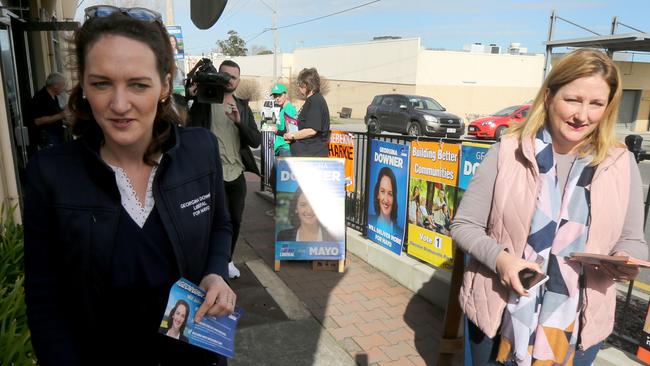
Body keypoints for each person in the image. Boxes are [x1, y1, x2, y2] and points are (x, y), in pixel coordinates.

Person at [23, 7, 235, 366]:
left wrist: (216, 271)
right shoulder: (52, 174)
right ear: (84, 87)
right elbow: (45, 299)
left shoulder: (200, 151)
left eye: (138, 84)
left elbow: (220, 225)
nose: (120, 105)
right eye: (102, 83)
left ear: (165, 85)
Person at [451, 48, 647, 365]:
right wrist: (502, 261)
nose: (582, 116)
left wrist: (625, 262)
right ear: (549, 97)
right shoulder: (508, 151)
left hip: (578, 330)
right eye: (572, 100)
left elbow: (633, 239)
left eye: (596, 104)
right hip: (498, 317)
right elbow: (464, 225)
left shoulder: (621, 163)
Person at [187, 59, 261, 279]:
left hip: (236, 174)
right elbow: (184, 123)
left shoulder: (243, 107)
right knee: (208, 221)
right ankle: (207, 262)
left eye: (234, 77)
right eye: (226, 75)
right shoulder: (204, 100)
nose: (230, 80)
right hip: (210, 173)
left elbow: (256, 140)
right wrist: (190, 95)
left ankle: (226, 260)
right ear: (219, 76)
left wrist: (239, 122)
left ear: (239, 81)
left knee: (234, 220)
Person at [284, 67, 330, 157]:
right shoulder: (311, 100)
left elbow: (311, 130)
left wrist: (292, 136)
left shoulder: (315, 101)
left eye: (300, 84)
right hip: (305, 154)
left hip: (312, 156)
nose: (299, 86)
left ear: (306, 85)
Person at [28, 72, 67, 153]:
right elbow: (37, 121)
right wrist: (61, 115)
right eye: (63, 85)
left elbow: (53, 114)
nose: (64, 88)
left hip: (56, 135)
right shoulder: (40, 97)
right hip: (48, 137)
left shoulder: (54, 96)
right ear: (55, 85)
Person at [368, 167, 403, 236]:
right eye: (382, 191)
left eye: (390, 194)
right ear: (378, 194)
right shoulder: (369, 221)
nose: (386, 199)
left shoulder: (400, 233)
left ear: (394, 198)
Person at [271, 83, 296, 157]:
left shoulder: (289, 109)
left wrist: (277, 131)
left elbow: (291, 131)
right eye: (275, 96)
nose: (277, 98)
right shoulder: (282, 108)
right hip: (281, 147)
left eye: (280, 95)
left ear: (286, 94)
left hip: (286, 148)